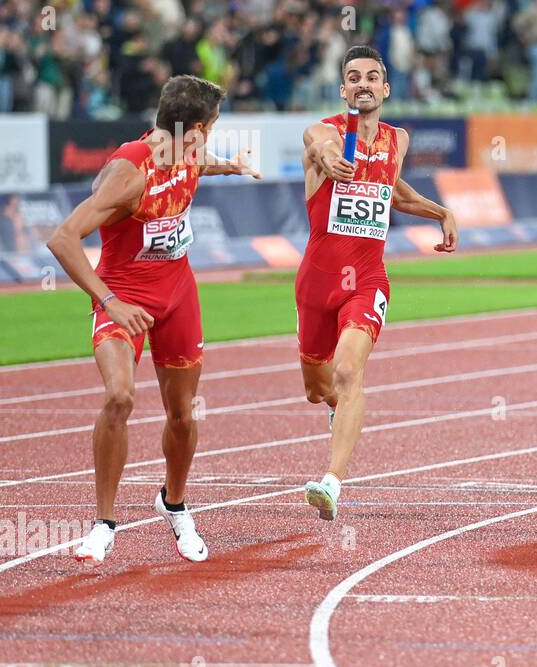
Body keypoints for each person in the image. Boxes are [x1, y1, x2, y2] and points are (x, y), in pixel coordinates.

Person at [45, 74, 261, 565]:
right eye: (214, 125)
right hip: (123, 298)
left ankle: (175, 504)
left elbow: (197, 163)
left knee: (183, 415)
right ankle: (103, 523)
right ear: (199, 127)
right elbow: (62, 237)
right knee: (120, 397)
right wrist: (108, 301)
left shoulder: (184, 149)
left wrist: (229, 166)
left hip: (177, 296)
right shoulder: (130, 172)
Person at [297, 45, 459, 520]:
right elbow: (319, 145)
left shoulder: (398, 140)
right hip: (316, 282)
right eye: (353, 77)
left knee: (349, 372)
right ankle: (333, 404)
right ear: (343, 88)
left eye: (372, 77)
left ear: (386, 88)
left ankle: (331, 482)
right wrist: (329, 159)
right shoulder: (324, 131)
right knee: (316, 387)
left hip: (367, 280)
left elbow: (392, 190)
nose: (363, 84)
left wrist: (441, 211)